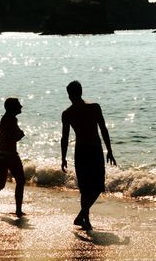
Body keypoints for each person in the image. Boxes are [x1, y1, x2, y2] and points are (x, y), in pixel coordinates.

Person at [61, 80, 116, 230]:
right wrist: (109, 150)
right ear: (81, 91)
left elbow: (64, 138)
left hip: (81, 152)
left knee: (87, 189)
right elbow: (104, 130)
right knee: (95, 187)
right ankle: (84, 218)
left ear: (69, 95)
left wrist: (63, 157)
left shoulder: (68, 113)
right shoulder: (93, 108)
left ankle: (83, 217)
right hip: (94, 150)